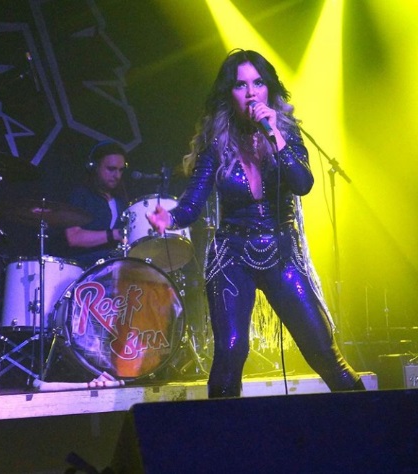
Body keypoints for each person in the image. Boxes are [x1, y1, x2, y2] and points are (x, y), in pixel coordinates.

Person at [146, 49, 365, 398]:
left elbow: (303, 184)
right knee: (231, 350)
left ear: (269, 89)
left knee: (322, 349)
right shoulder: (215, 143)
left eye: (258, 83)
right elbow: (192, 203)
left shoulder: (287, 134)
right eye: (240, 85)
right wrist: (169, 218)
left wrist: (275, 135)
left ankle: (369, 419)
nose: (250, 93)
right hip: (232, 254)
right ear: (228, 94)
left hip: (282, 251)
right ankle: (223, 429)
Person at [65, 141, 128, 268]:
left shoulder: (121, 200)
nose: (117, 175)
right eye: (111, 169)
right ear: (94, 167)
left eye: (121, 170)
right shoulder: (80, 195)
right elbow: (73, 237)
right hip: (84, 269)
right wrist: (115, 234)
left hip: (115, 268)